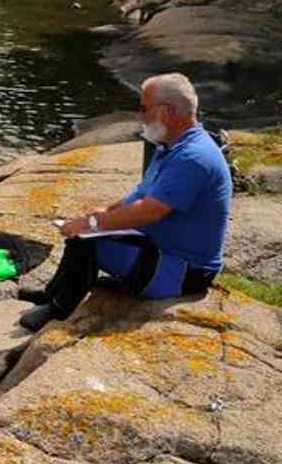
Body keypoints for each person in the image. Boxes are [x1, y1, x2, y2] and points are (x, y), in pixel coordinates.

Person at [19, 72, 232, 332]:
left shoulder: (193, 157)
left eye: (144, 109)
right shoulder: (172, 146)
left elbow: (150, 212)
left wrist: (93, 223)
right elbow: (142, 193)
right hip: (162, 252)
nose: (141, 116)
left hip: (184, 272)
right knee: (84, 232)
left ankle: (60, 310)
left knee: (87, 242)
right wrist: (107, 212)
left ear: (166, 112)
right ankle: (51, 293)